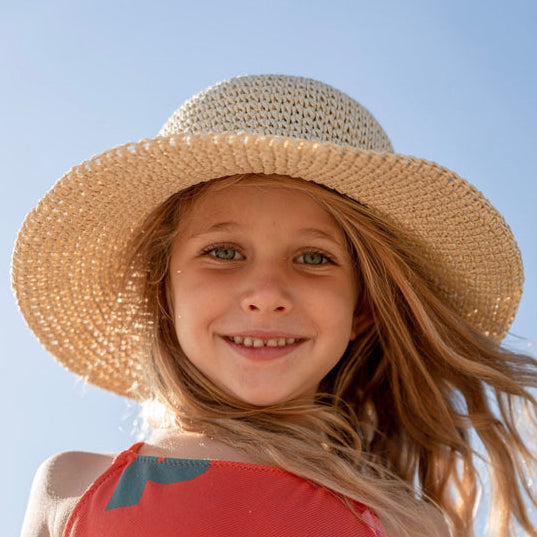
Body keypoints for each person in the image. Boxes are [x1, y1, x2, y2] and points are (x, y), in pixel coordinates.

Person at [13, 74, 537, 537]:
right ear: (162, 291)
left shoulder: (407, 525)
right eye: (222, 252)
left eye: (313, 257)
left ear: (363, 309)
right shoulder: (73, 490)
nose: (266, 295)